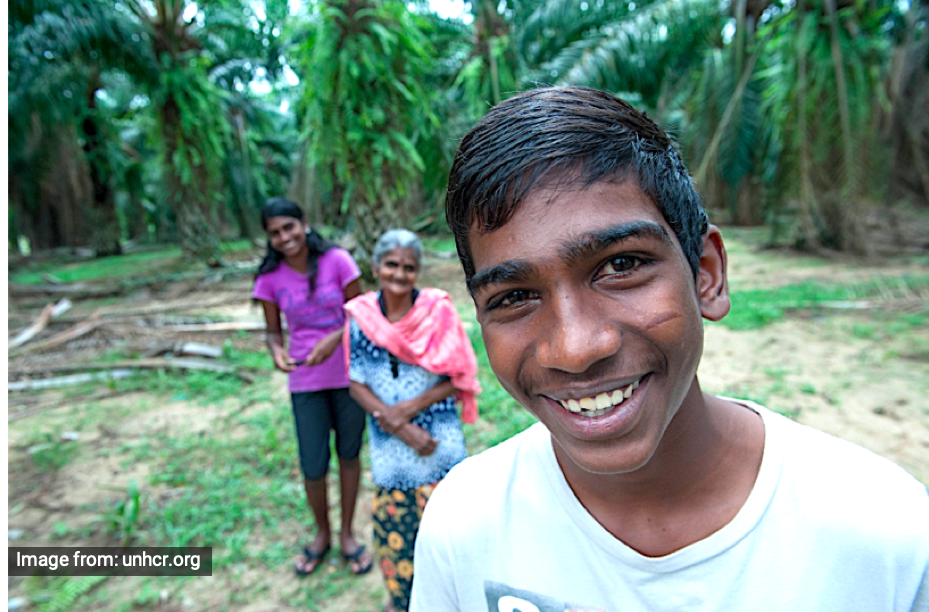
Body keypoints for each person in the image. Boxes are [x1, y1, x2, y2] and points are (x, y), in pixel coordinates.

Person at [409, 87, 929, 611]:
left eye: (620, 266)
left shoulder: (886, 536)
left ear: (706, 274)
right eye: (516, 296)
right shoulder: (464, 524)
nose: (574, 348)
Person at [343, 229, 480, 612]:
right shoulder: (361, 316)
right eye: (391, 265)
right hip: (391, 449)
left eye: (408, 267)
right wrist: (400, 424)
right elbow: (355, 381)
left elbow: (459, 375)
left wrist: (409, 409)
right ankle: (403, 601)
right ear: (375, 267)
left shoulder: (437, 311)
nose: (399, 274)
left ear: (418, 271)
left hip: (438, 442)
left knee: (448, 531)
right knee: (396, 534)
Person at [252, 197, 373, 576]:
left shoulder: (338, 261)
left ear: (303, 224)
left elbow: (363, 313)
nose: (284, 237)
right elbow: (274, 332)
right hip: (304, 379)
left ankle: (348, 534)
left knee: (349, 454)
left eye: (288, 227)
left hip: (349, 375)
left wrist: (335, 338)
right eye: (274, 233)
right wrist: (275, 351)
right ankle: (321, 535)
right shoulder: (269, 279)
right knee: (312, 464)